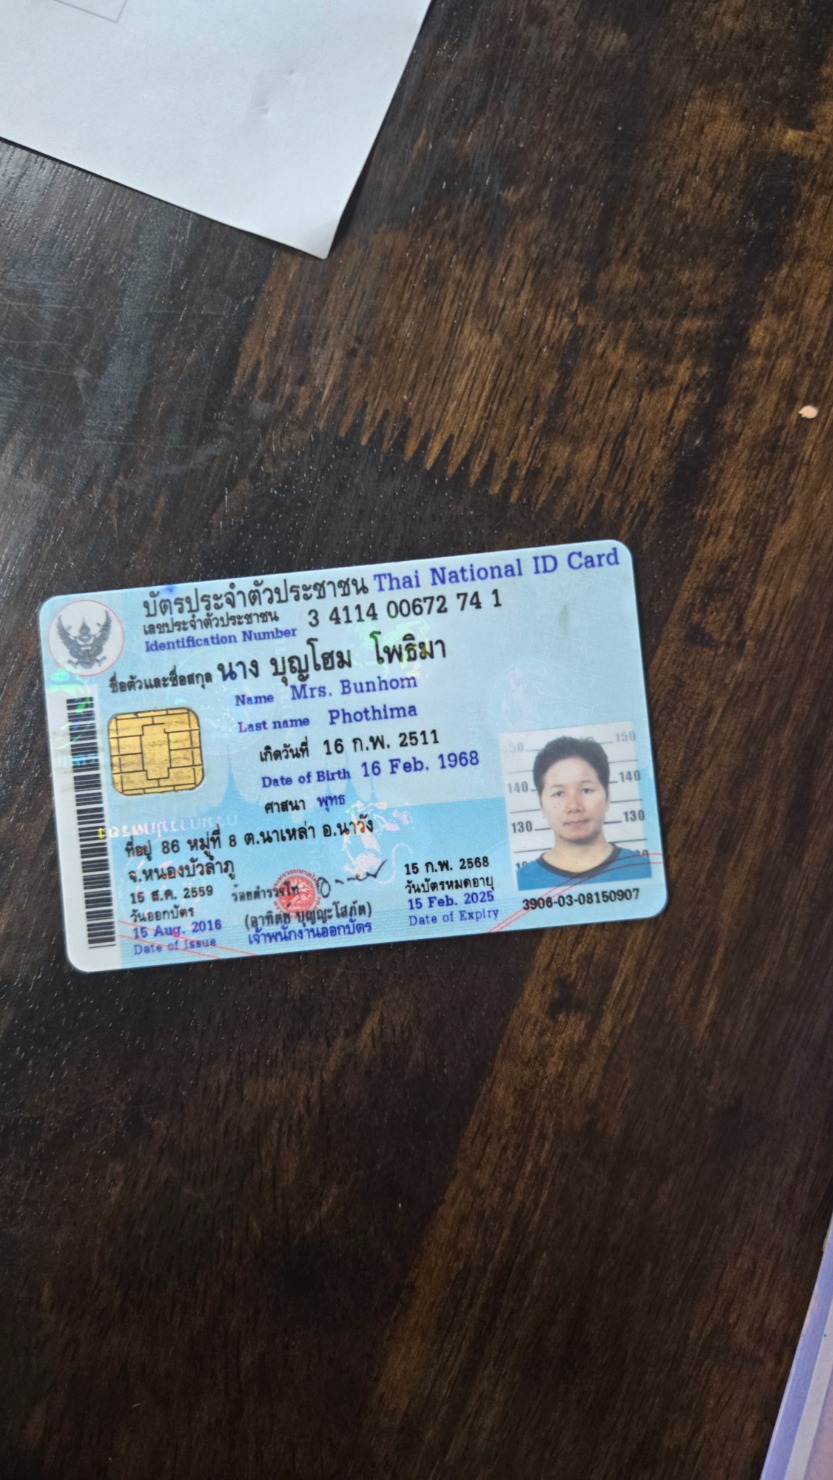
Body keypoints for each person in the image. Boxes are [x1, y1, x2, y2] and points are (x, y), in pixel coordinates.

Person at [516, 735, 652, 890]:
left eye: (586, 790)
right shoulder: (523, 881)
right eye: (558, 793)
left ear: (608, 796)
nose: (574, 806)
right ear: (541, 804)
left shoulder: (643, 869)